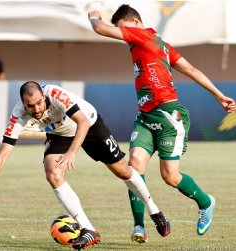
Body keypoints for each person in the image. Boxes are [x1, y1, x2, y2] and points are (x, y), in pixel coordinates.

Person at [88, 4, 236, 243]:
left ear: (135, 22)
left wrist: (93, 14)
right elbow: (190, 69)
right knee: (133, 165)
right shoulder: (159, 46)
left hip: (169, 116)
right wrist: (218, 95)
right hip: (146, 117)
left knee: (170, 177)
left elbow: (100, 29)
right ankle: (139, 227)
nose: (123, 36)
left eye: (123, 29)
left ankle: (206, 202)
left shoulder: (143, 35)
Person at [0, 81, 171, 250]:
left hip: (89, 125)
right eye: (31, 106)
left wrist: (72, 152)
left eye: (39, 103)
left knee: (123, 171)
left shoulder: (56, 94)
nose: (37, 109)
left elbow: (82, 122)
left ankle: (154, 211)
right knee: (52, 173)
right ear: (23, 103)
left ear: (43, 95)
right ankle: (88, 229)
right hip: (59, 134)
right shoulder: (19, 114)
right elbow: (4, 151)